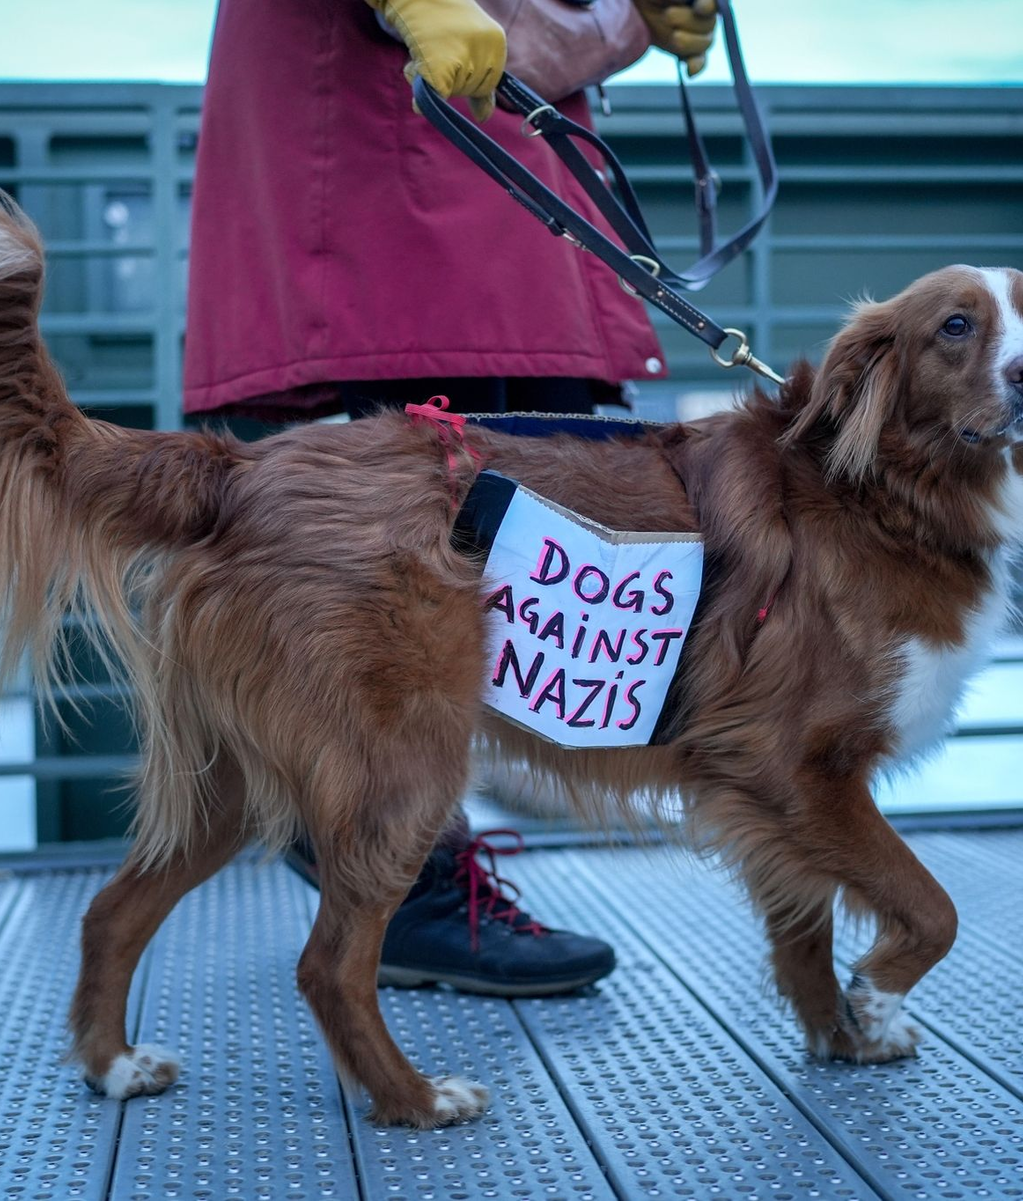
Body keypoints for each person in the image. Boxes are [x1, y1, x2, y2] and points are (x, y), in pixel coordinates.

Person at [183, 0, 716, 995]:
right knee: (432, 548)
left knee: (501, 534)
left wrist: (626, 18)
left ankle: (371, 836)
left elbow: (529, 36)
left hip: (492, 185)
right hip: (405, 172)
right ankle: (394, 862)